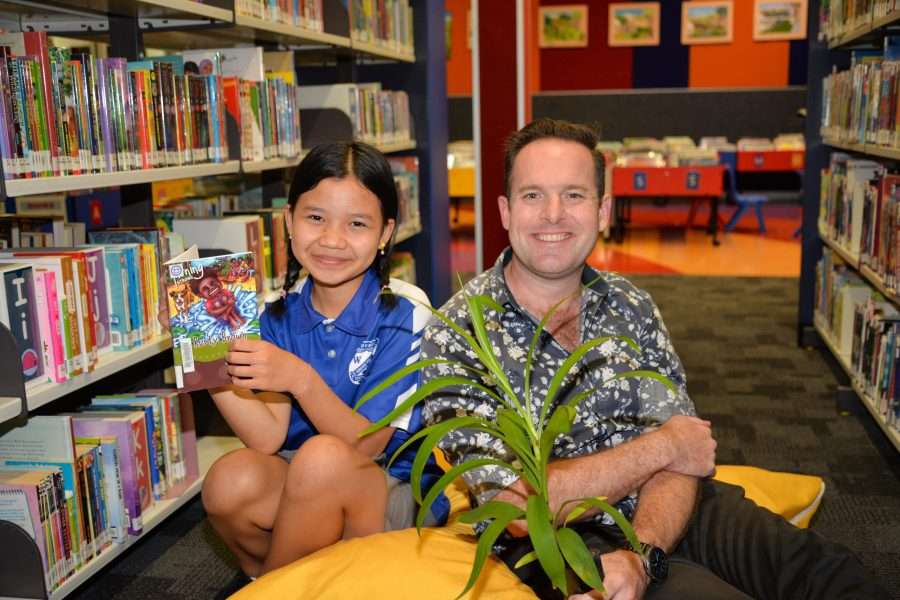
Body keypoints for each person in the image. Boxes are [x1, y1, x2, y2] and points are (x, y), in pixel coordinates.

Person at [420, 118, 888, 600]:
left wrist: (645, 552)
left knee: (830, 573)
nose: (553, 214)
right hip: (562, 544)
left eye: (575, 195)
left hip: (672, 505)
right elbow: (518, 506)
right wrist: (660, 448)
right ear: (505, 210)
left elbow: (687, 453)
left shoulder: (631, 304)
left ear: (602, 211)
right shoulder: (459, 333)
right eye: (533, 195)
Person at [196, 142, 449, 578]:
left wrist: (300, 378)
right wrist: (204, 349)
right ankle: (282, 577)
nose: (332, 240)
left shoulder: (406, 312)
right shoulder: (276, 312)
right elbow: (267, 438)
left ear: (385, 233)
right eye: (315, 218)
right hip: (306, 482)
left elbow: (367, 445)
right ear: (288, 220)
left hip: (391, 488)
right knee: (227, 480)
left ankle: (276, 587)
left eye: (356, 224)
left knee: (323, 458)